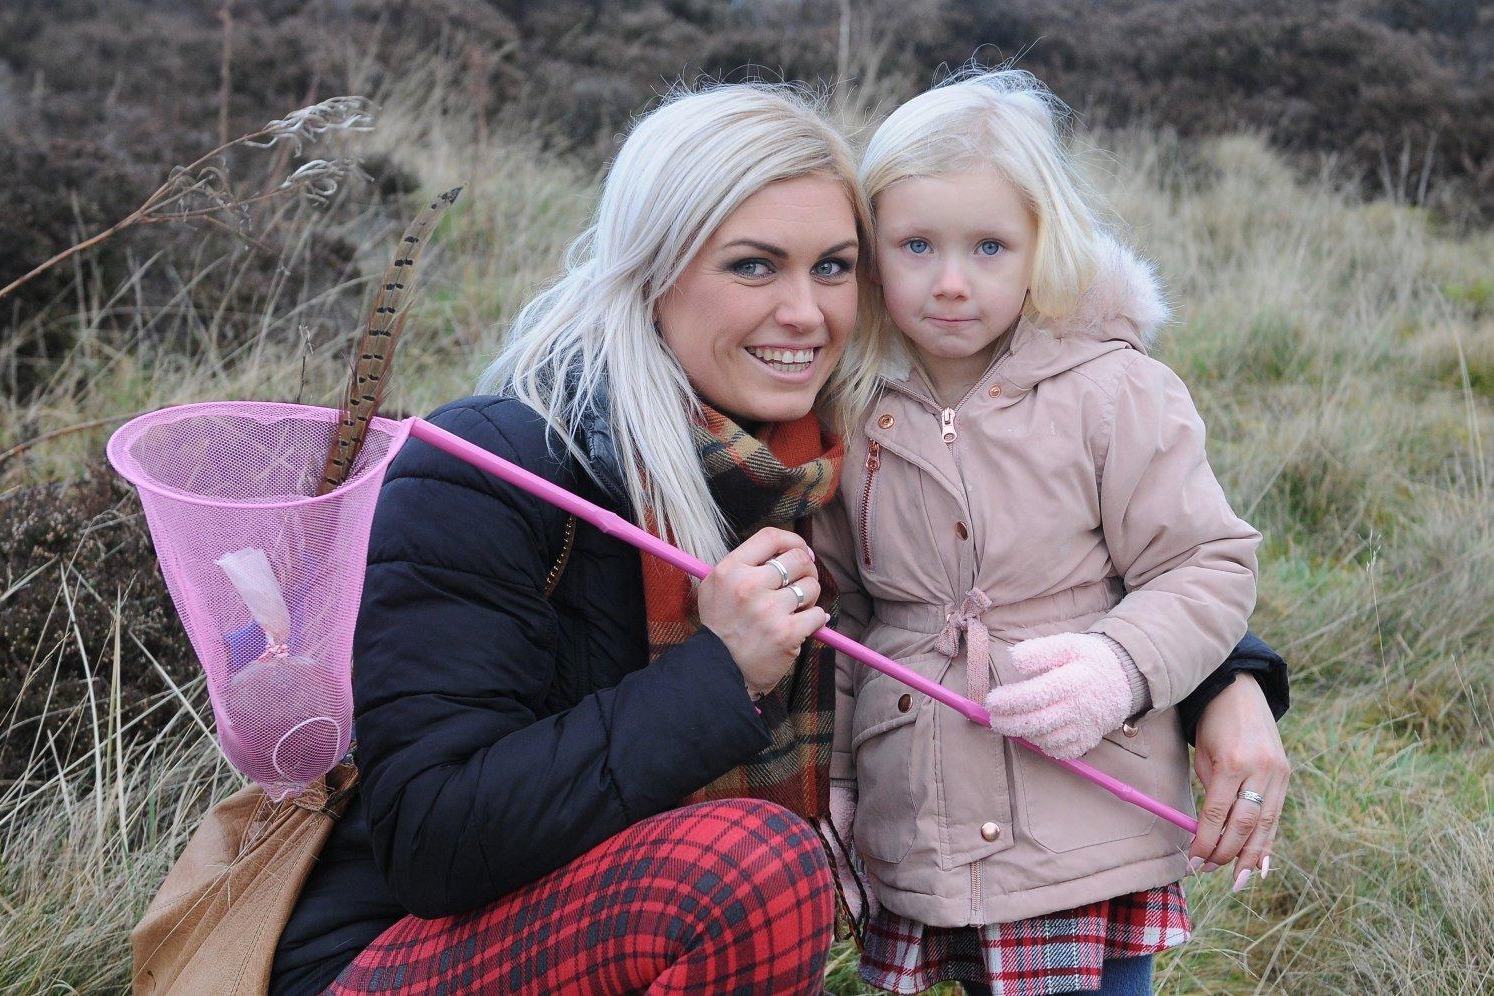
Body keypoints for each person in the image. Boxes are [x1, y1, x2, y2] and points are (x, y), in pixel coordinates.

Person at [268, 81, 1289, 995]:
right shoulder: (497, 464)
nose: (804, 312)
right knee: (754, 875)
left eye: (834, 266)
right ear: (655, 269)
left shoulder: (825, 448)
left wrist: (1208, 680)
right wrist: (717, 674)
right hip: (410, 953)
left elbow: (1000, 552)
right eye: (754, 265)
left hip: (640, 932)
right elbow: (433, 840)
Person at [818, 68, 1286, 996]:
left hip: (1085, 810)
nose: (951, 283)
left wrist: (1121, 665)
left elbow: (1206, 561)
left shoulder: (1114, 391)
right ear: (873, 252)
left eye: (990, 246)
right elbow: (843, 612)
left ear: (1043, 245)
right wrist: (833, 776)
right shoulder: (857, 406)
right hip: (917, 803)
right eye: (916, 245)